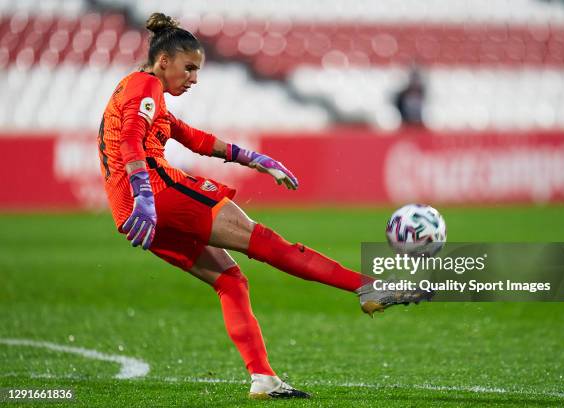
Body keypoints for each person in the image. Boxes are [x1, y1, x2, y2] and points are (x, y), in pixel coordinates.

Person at [97, 13, 433, 399]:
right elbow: (130, 142)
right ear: (163, 61)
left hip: (131, 215)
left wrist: (255, 159)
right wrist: (145, 194)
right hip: (156, 195)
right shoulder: (145, 86)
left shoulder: (133, 90)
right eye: (189, 68)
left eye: (198, 70)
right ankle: (369, 288)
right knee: (270, 244)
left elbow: (190, 136)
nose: (194, 78)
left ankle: (263, 378)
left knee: (230, 281)